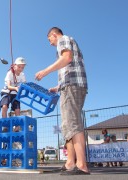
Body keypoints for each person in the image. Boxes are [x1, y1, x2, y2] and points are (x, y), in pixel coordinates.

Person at [35, 27, 89, 175]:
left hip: (73, 86)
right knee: (67, 126)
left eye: (49, 39)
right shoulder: (67, 41)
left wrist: (44, 72)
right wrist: (57, 87)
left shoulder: (63, 40)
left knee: (72, 123)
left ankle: (82, 164)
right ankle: (70, 162)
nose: (50, 43)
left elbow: (67, 58)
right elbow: (70, 67)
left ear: (54, 34)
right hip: (69, 86)